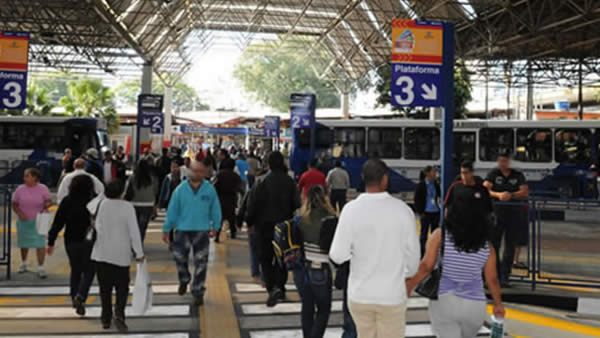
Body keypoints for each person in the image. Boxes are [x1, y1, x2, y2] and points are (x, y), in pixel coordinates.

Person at [329, 159, 420, 338]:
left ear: (363, 178)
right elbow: (413, 263)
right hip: (391, 295)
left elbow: (337, 255)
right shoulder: (403, 211)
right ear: (385, 178)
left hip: (360, 296)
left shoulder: (350, 210)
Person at [406, 204, 505, 338]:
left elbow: (426, 267)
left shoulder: (440, 236)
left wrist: (409, 285)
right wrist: (498, 304)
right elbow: (492, 279)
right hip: (475, 306)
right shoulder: (487, 246)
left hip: (445, 302)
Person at [163, 161, 222, 306]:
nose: (197, 174)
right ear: (189, 172)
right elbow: (172, 210)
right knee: (179, 259)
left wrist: (216, 226)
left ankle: (198, 291)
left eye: (201, 171)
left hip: (201, 231)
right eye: (195, 171)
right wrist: (166, 229)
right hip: (182, 230)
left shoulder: (209, 190)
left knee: (201, 263)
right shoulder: (180, 190)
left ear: (205, 173)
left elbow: (215, 209)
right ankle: (184, 278)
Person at [246, 151, 301, 307]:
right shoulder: (289, 182)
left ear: (268, 164)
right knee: (282, 258)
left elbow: (253, 204)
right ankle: (281, 287)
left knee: (265, 258)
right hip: (284, 226)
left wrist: (249, 221)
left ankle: (271, 288)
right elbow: (297, 204)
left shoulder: (261, 181)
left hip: (263, 226)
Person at [91, 179, 144, 331]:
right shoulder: (127, 207)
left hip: (101, 253)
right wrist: (139, 253)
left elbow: (97, 226)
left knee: (104, 288)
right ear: (122, 192)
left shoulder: (102, 205)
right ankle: (119, 313)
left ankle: (105, 319)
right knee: (122, 288)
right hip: (121, 255)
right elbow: (134, 232)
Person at [47, 175, 97, 316]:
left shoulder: (67, 201)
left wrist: (51, 241)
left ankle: (74, 294)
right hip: (90, 240)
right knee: (89, 270)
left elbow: (58, 222)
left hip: (71, 240)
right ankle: (80, 295)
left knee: (76, 269)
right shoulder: (93, 201)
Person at [294, 185, 336, 338]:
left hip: (304, 269)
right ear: (324, 198)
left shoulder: (301, 219)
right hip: (322, 269)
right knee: (324, 309)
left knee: (307, 309)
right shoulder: (331, 219)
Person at [483, 153, 529, 287]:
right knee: (494, 246)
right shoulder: (494, 174)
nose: (502, 163)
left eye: (505, 161)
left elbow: (525, 191)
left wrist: (511, 195)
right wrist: (498, 195)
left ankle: (505, 275)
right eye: (500, 161)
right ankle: (494, 274)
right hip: (497, 214)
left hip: (514, 214)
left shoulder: (517, 174)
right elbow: (485, 188)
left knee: (510, 246)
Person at [12, 168, 52, 278]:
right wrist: (20, 213)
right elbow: (15, 204)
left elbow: (49, 200)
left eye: (27, 176)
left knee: (40, 243)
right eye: (25, 176)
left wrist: (47, 204)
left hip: (39, 220)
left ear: (34, 177)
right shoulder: (20, 189)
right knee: (24, 243)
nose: (24, 178)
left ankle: (41, 267)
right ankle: (23, 262)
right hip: (24, 220)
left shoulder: (43, 188)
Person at [125, 159, 159, 241]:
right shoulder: (153, 178)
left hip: (134, 204)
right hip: (148, 204)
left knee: (134, 225)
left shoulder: (133, 178)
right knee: (142, 226)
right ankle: (140, 243)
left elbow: (127, 190)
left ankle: (134, 242)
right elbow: (155, 191)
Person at [414, 166, 441, 256]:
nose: (435, 174)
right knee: (423, 234)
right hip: (425, 212)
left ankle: (433, 252)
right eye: (433, 172)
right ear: (428, 173)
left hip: (435, 212)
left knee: (434, 234)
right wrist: (420, 213)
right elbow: (417, 200)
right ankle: (422, 252)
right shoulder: (421, 185)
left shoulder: (436, 185)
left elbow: (439, 196)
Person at [214, 158, 243, 242]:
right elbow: (240, 188)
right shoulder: (235, 175)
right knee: (231, 217)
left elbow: (214, 185)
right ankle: (233, 233)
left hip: (220, 199)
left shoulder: (219, 174)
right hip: (231, 199)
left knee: (219, 218)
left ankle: (217, 235)